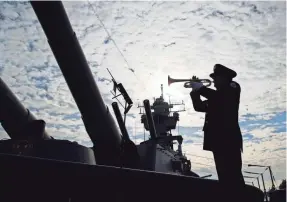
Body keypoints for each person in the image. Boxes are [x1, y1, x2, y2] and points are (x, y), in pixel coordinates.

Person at [189, 64, 245, 197]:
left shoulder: (233, 87)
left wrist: (200, 88)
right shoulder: (215, 97)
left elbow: (220, 98)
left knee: (233, 176)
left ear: (225, 78)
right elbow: (199, 107)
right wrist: (195, 91)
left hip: (228, 139)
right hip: (217, 140)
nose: (213, 81)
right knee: (224, 176)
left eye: (216, 77)